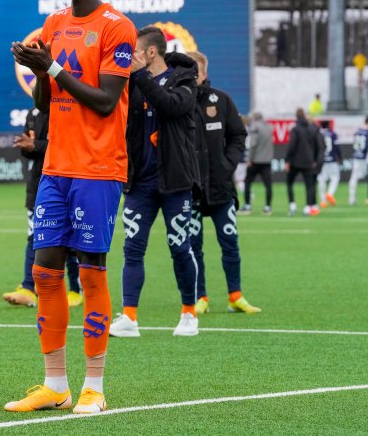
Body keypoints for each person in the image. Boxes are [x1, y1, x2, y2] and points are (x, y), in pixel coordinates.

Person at [6, 0, 136, 414]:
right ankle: (55, 384)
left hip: (98, 168)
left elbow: (105, 102)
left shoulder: (117, 27)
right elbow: (45, 103)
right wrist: (39, 71)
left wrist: (54, 67)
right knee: (44, 270)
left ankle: (94, 387)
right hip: (55, 167)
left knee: (91, 270)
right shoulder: (54, 23)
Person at [109, 27, 200, 339]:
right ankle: (129, 317)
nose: (131, 56)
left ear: (150, 52)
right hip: (140, 183)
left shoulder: (184, 79)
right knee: (132, 248)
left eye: (136, 50)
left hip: (175, 181)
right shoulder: (132, 82)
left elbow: (171, 106)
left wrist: (140, 77)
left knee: (180, 247)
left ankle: (189, 313)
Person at [187, 51, 260, 316]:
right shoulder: (178, 102)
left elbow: (238, 135)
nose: (191, 75)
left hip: (221, 188)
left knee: (230, 242)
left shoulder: (222, 100)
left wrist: (227, 165)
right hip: (190, 189)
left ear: (204, 73)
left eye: (195, 70)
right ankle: (200, 297)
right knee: (193, 246)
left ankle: (235, 296)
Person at [3, 106, 82, 308]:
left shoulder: (67, 108)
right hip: (38, 185)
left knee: (71, 241)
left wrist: (35, 145)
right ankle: (28, 288)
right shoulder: (33, 113)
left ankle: (75, 290)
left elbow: (69, 145)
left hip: (68, 182)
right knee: (34, 237)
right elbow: (31, 153)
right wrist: (26, 147)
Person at [285, 108, 323, 216]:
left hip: (295, 162)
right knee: (309, 185)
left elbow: (291, 145)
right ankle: (307, 207)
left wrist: (287, 160)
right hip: (308, 162)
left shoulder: (295, 129)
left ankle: (292, 205)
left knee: (289, 182)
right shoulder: (311, 130)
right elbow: (317, 146)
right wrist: (315, 160)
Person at [242, 111, 273, 214]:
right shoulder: (269, 127)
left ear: (254, 118)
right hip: (266, 160)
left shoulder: (255, 127)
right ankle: (268, 206)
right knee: (268, 185)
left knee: (247, 182)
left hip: (255, 160)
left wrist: (250, 159)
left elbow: (253, 144)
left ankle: (247, 205)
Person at [348, 117, 368, 206]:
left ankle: (352, 198)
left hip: (356, 157)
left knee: (354, 177)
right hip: (365, 158)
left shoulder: (357, 131)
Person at [317, 120, 342, 208]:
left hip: (322, 160)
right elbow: (337, 147)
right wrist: (340, 157)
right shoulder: (333, 134)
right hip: (332, 160)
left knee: (321, 180)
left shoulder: (319, 134)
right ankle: (330, 193)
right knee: (335, 178)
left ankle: (323, 201)